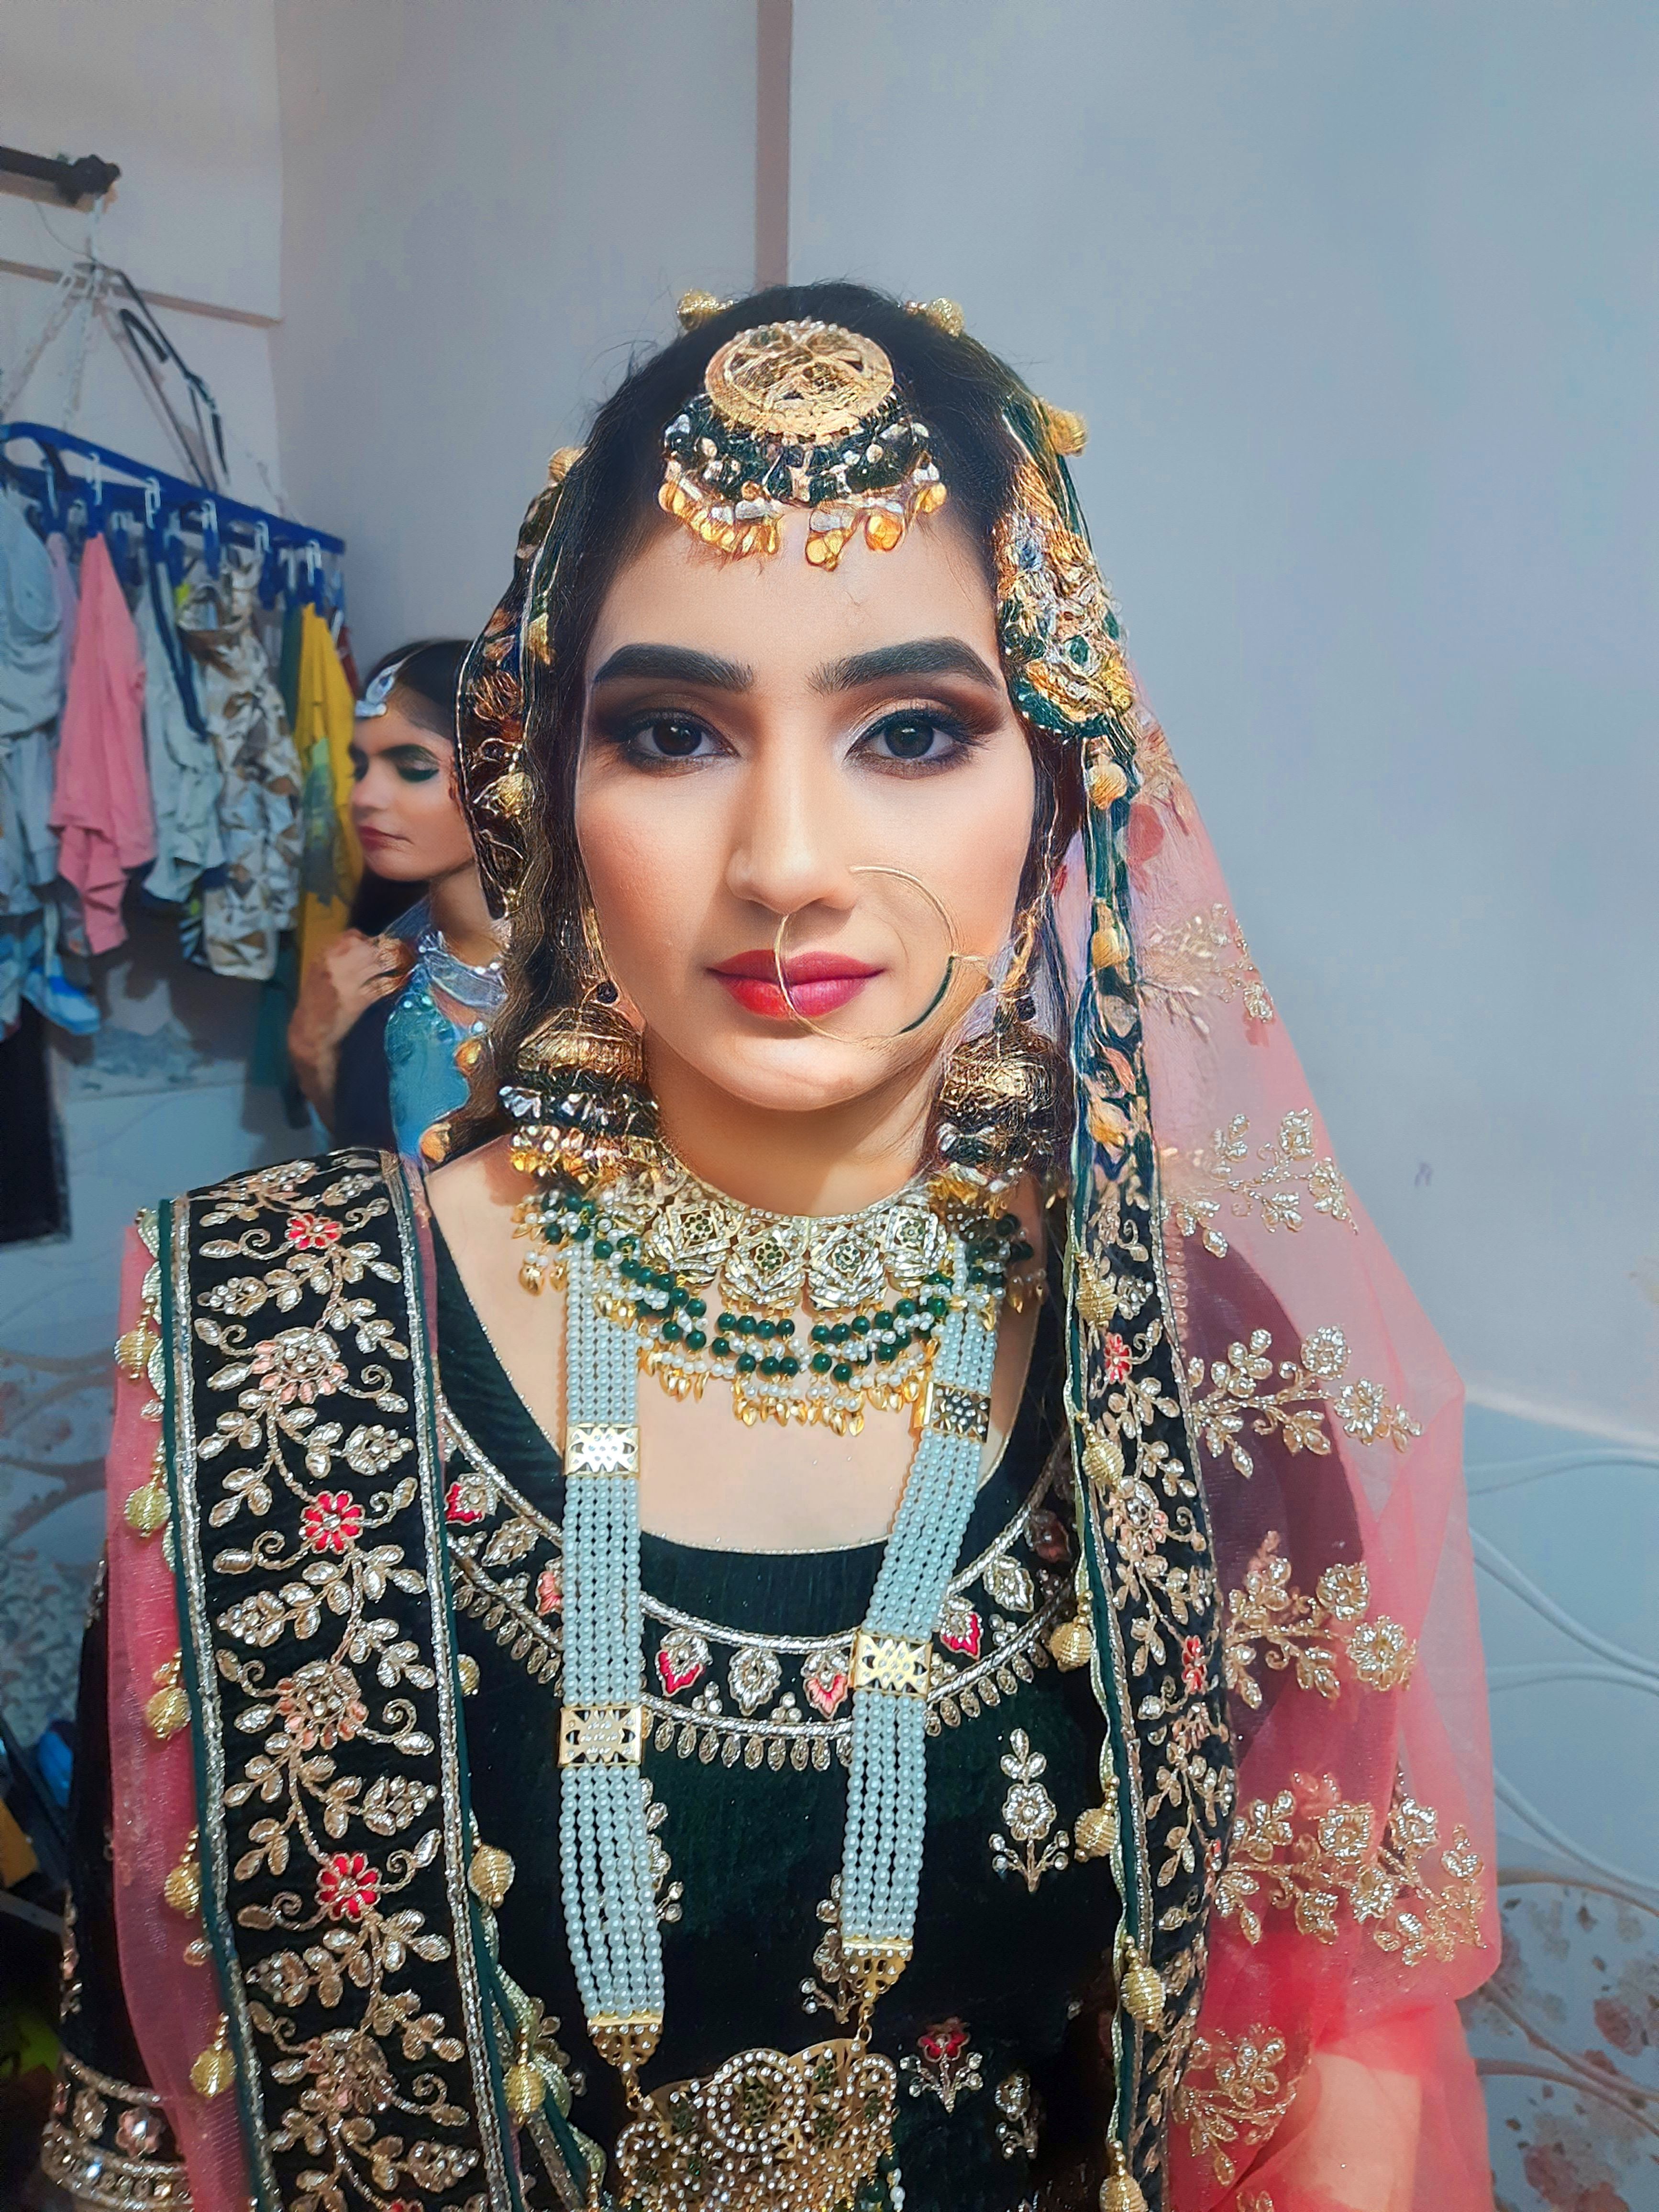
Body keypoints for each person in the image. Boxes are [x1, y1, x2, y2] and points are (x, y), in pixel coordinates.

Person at [44, 286, 1496, 2212]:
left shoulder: (1190, 1363)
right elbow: (148, 2122)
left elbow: (1322, 2075)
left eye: (912, 730)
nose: (789, 860)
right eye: (672, 731)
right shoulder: (274, 1341)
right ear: (546, 779)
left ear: (1054, 788)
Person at [286, 638, 508, 1156]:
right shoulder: (375, 972)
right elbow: (373, 1173)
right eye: (358, 768)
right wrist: (314, 1052)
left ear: (509, 775)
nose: (363, 796)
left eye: (412, 766)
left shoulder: (605, 975)